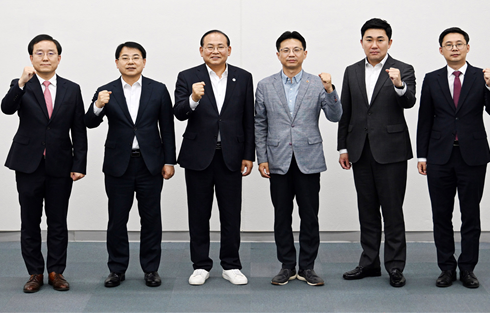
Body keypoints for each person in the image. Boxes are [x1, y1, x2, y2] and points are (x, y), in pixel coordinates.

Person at [417, 27, 490, 289]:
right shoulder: (432, 79)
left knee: (470, 214)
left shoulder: (481, 77)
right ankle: (446, 267)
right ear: (440, 50)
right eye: (449, 44)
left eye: (459, 43)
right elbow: (425, 119)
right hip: (439, 156)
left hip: (472, 157)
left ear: (467, 47)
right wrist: (422, 155)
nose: (454, 48)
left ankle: (467, 268)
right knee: (441, 215)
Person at [85, 42, 176, 289]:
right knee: (117, 219)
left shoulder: (158, 89)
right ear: (117, 63)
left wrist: (169, 161)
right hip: (118, 165)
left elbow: (167, 128)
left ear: (144, 62)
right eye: (125, 58)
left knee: (151, 218)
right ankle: (116, 269)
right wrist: (98, 105)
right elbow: (89, 122)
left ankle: (151, 269)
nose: (131, 62)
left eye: (136, 57)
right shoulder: (106, 90)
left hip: (150, 164)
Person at [1, 34, 87, 293]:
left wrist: (79, 163)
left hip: (61, 164)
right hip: (28, 164)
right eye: (39, 53)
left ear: (59, 58)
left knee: (58, 221)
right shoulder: (21, 85)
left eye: (51, 53)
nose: (45, 57)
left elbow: (79, 129)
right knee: (30, 221)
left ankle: (56, 272)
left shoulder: (72, 89)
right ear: (31, 58)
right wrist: (20, 83)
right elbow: (6, 108)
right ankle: (35, 272)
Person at [255, 31, 342, 287]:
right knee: (282, 216)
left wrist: (330, 89)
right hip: (277, 158)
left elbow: (336, 116)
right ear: (278, 54)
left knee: (310, 216)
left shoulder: (317, 83)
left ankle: (307, 267)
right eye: (286, 50)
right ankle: (286, 266)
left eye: (296, 50)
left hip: (309, 158)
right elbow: (260, 123)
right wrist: (262, 157)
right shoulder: (265, 85)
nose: (291, 54)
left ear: (305, 53)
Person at [337, 18, 416, 287]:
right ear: (361, 42)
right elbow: (345, 111)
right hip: (360, 150)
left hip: (391, 151)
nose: (374, 44)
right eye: (369, 40)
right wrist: (343, 147)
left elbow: (409, 101)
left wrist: (399, 84)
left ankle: (395, 266)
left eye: (380, 40)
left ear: (389, 43)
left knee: (392, 211)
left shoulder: (403, 69)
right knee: (367, 209)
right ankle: (369, 262)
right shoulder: (351, 71)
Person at [173, 30, 255, 286]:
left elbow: (248, 118)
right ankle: (200, 265)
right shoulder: (187, 77)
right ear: (201, 51)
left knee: (231, 213)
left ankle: (231, 265)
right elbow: (179, 112)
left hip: (231, 155)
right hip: (198, 155)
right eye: (210, 46)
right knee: (199, 213)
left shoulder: (243, 77)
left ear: (229, 50)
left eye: (221, 46)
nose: (215, 51)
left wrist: (248, 154)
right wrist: (193, 98)